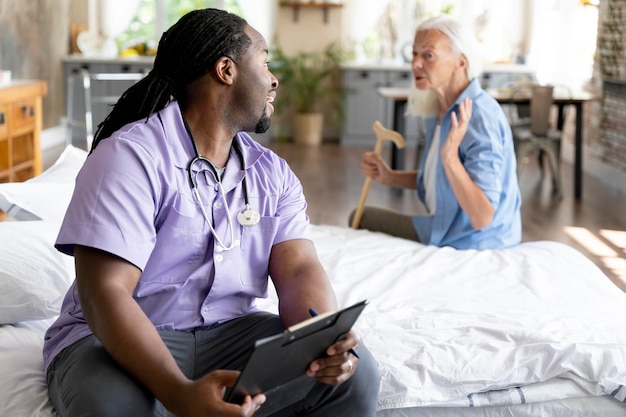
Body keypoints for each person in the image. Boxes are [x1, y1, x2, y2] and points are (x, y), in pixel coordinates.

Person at [43, 8, 380, 417]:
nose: (274, 79)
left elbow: (298, 270)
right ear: (226, 70)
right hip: (120, 336)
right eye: (265, 61)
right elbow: (106, 295)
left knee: (352, 380)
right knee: (116, 409)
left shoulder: (271, 173)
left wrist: (322, 339)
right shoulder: (130, 157)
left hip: (229, 334)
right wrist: (178, 393)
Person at [351, 15, 521, 250]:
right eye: (414, 54)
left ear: (461, 63)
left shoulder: (479, 116)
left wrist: (450, 158)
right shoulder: (439, 110)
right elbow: (438, 180)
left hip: (475, 241)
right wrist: (389, 176)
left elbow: (482, 217)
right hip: (445, 229)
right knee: (360, 217)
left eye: (428, 55)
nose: (415, 64)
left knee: (362, 219)